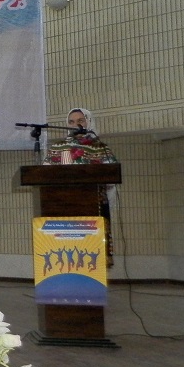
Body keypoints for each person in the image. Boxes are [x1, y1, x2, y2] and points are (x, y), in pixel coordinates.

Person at [43, 108, 118, 264]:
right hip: (63, 206)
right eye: (71, 122)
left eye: (80, 121)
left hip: (95, 205)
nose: (75, 125)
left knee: (91, 253)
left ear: (88, 122)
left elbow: (112, 175)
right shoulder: (57, 148)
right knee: (67, 252)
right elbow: (44, 174)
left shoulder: (100, 148)